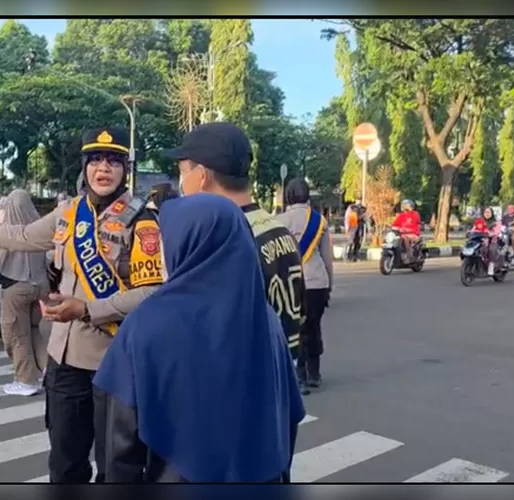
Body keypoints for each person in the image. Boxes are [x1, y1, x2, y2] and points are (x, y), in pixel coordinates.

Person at [0, 127, 164, 484]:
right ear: (85, 166)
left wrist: (87, 309)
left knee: (116, 469)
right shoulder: (70, 212)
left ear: (126, 169)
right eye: (95, 160)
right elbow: (24, 236)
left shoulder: (142, 219)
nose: (103, 168)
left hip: (116, 361)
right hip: (64, 361)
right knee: (65, 464)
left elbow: (152, 291)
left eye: (113, 161)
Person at [93, 194, 305, 483]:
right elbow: (287, 419)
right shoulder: (264, 317)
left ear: (187, 244)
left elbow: (122, 449)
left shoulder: (145, 324)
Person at [164, 122, 305, 364]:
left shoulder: (224, 240)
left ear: (201, 176)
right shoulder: (278, 229)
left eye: (183, 172)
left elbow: (208, 330)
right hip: (283, 370)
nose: (182, 182)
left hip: (245, 375)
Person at [0, 189, 52, 397]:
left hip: (16, 288)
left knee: (17, 335)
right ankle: (49, 373)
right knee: (35, 332)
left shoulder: (7, 233)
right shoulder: (40, 228)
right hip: (41, 287)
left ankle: (26, 381)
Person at [277, 178, 334, 392]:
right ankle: (314, 373)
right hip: (318, 282)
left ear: (288, 196)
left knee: (296, 329)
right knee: (313, 326)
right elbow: (327, 258)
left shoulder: (279, 222)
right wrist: (329, 285)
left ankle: (299, 377)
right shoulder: (319, 220)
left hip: (292, 283)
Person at [472, 207, 505, 274]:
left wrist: (491, 234)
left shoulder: (496, 222)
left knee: (491, 249)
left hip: (492, 240)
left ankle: (491, 265)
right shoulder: (479, 221)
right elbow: (474, 229)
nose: (487, 214)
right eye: (485, 212)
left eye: (488, 212)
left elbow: (497, 231)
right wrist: (470, 232)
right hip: (480, 239)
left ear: (492, 213)